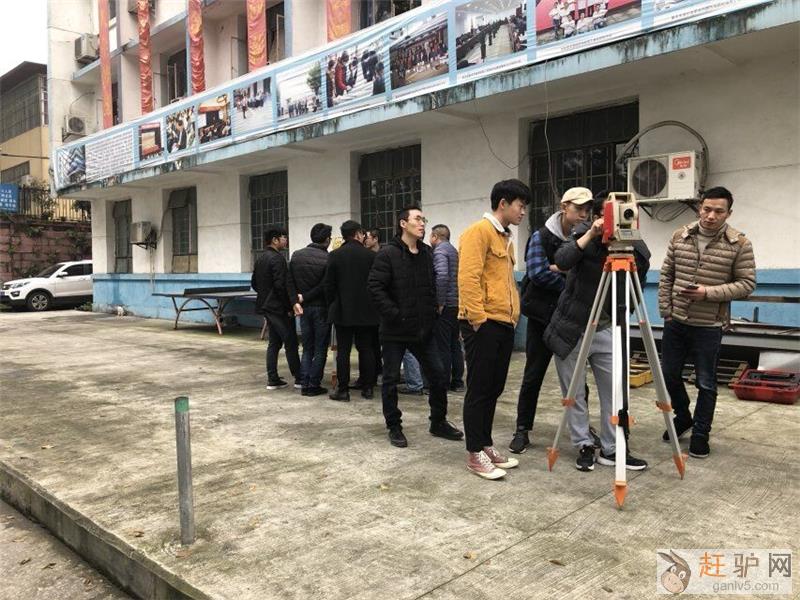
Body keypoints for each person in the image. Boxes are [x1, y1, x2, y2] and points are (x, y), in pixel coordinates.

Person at [543, 193, 650, 473]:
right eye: (611, 213)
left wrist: (630, 240)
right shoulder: (583, 234)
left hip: (606, 328)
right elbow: (562, 259)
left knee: (614, 393)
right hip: (572, 329)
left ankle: (613, 448)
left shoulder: (634, 244)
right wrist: (593, 233)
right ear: (599, 216)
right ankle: (584, 444)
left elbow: (638, 279)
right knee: (574, 394)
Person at [658, 186, 755, 458]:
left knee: (706, 383)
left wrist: (707, 293)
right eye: (707, 209)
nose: (711, 216)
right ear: (700, 208)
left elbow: (747, 284)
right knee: (668, 375)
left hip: (709, 326)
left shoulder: (739, 244)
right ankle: (683, 416)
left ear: (728, 213)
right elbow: (666, 275)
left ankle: (701, 433)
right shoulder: (680, 235)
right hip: (676, 321)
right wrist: (666, 310)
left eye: (718, 211)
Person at [368, 206, 463, 448]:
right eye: (417, 219)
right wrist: (395, 314)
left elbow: (432, 285)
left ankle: (438, 422)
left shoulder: (427, 253)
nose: (422, 224)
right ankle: (394, 426)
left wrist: (432, 312)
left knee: (438, 375)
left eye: (423, 219)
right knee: (390, 380)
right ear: (403, 223)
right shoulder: (388, 254)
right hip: (395, 330)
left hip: (424, 329)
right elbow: (375, 288)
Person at [510, 187, 593, 454]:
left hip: (571, 318)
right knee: (533, 374)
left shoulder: (586, 236)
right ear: (564, 207)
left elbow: (588, 273)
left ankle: (583, 428)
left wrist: (559, 268)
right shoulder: (542, 236)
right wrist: (569, 279)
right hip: (542, 316)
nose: (583, 214)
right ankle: (522, 429)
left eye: (587, 210)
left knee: (578, 377)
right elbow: (537, 273)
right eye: (578, 208)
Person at [458, 179, 529, 479]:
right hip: (483, 322)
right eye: (520, 206)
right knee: (479, 388)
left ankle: (485, 444)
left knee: (494, 387)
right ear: (503, 203)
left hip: (504, 321)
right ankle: (474, 452)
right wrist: (478, 319)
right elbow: (468, 278)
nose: (523, 212)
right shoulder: (479, 232)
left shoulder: (504, 238)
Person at [325, 220, 379, 401]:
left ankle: (343, 390)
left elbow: (329, 285)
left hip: (343, 310)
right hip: (367, 310)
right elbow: (377, 283)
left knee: (343, 351)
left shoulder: (335, 255)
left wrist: (334, 303)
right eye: (363, 234)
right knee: (367, 349)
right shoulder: (371, 256)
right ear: (357, 234)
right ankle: (368, 388)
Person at [251, 227, 301, 390]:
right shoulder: (278, 259)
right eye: (283, 237)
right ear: (275, 240)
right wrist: (289, 306)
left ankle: (273, 378)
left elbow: (254, 283)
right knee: (290, 341)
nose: (286, 240)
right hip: (278, 308)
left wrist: (266, 295)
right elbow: (281, 286)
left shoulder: (260, 258)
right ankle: (299, 378)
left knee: (274, 342)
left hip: (267, 306)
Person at [288, 223, 332, 397]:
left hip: (303, 309)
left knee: (307, 347)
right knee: (320, 348)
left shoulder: (296, 255)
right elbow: (325, 285)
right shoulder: (328, 258)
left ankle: (304, 382)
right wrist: (305, 297)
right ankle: (314, 384)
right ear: (327, 239)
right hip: (321, 308)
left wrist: (295, 301)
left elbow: (289, 281)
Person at [429, 224, 461, 393]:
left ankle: (444, 382)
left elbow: (441, 276)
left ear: (435, 236)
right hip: (456, 303)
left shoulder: (440, 251)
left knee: (443, 345)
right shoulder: (454, 251)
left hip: (446, 304)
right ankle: (457, 381)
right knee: (455, 343)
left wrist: (439, 302)